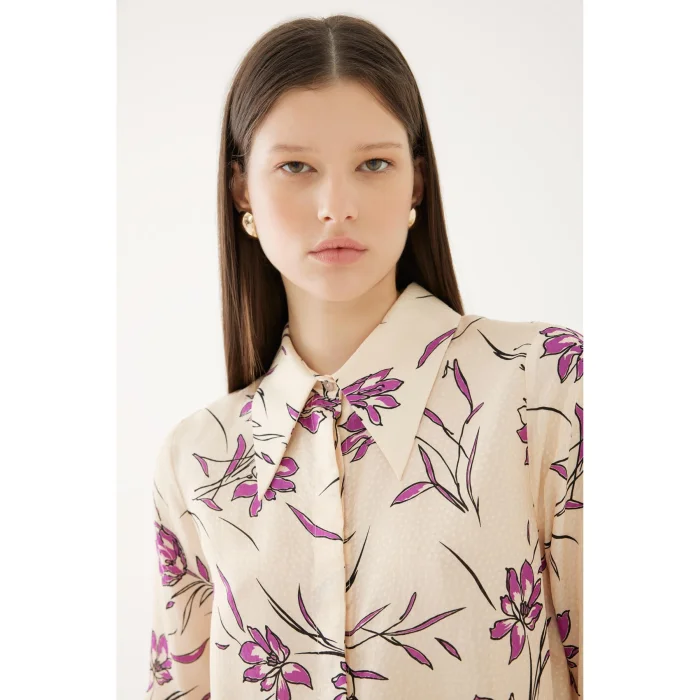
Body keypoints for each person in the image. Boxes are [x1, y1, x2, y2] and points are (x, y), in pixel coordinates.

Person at [144, 14, 583, 700]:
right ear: (242, 191)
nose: (336, 206)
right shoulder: (197, 461)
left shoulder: (545, 387)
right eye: (296, 167)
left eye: (373, 164)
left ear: (416, 184)